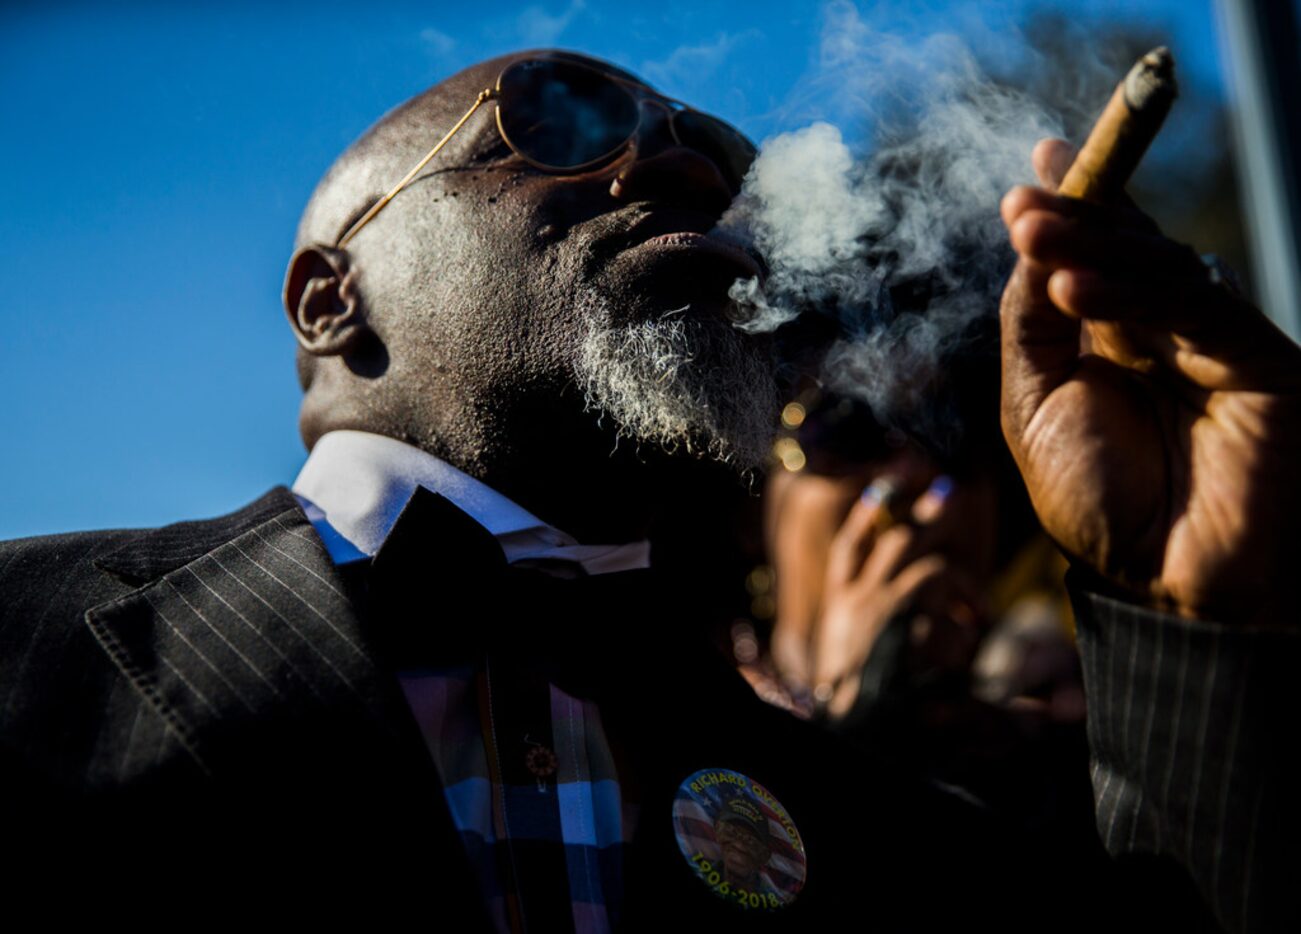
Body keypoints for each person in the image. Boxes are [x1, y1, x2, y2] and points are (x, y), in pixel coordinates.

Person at [0, 48, 1296, 932]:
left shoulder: (880, 824)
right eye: (559, 123)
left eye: (717, 162)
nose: (686, 177)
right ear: (332, 301)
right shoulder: (27, 645)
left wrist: (1188, 600)